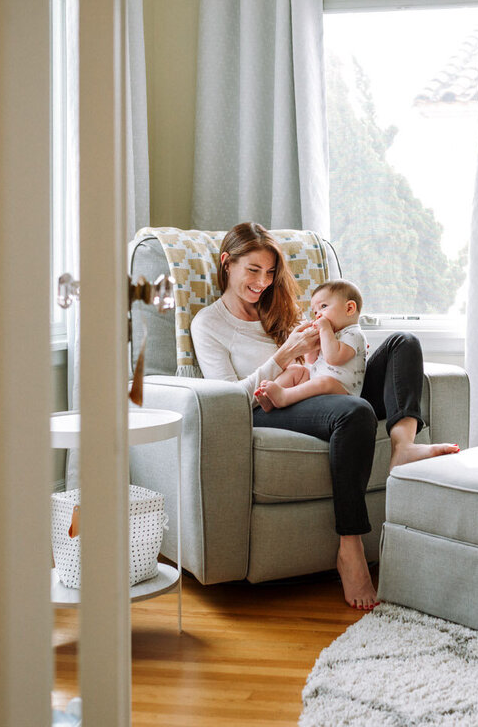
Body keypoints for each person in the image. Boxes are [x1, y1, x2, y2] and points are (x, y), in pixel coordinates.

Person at [189, 222, 460, 610]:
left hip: (320, 388)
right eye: (252, 270)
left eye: (269, 272)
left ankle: (403, 447)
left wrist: (337, 346)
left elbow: (325, 361)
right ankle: (350, 547)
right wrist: (282, 356)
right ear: (226, 264)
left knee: (404, 343)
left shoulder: (278, 309)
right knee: (356, 412)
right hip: (269, 407)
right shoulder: (209, 324)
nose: (262, 282)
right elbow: (228, 400)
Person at [253, 279, 366, 412]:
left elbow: (333, 359)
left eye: (323, 307)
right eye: (315, 312)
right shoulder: (331, 334)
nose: (318, 315)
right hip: (316, 385)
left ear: (349, 308)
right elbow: (311, 361)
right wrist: (312, 344)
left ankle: (284, 396)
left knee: (326, 382)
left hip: (342, 391)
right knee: (297, 370)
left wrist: (325, 331)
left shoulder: (353, 334)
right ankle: (269, 398)